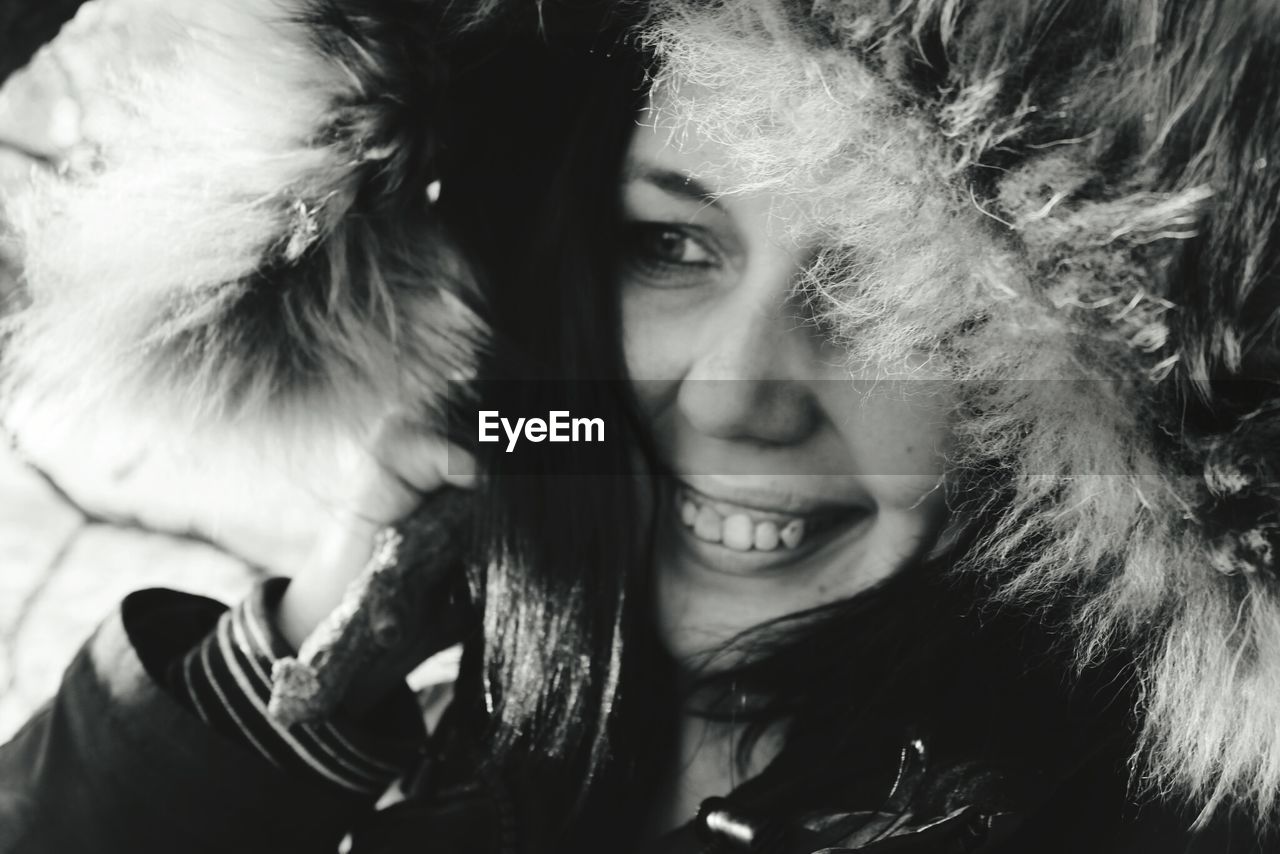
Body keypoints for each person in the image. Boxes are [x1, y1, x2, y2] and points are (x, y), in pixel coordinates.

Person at [1, 1, 1278, 852]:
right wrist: (294, 673)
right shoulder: (522, 649)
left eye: (891, 296)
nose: (732, 394)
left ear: (1114, 419)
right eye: (668, 242)